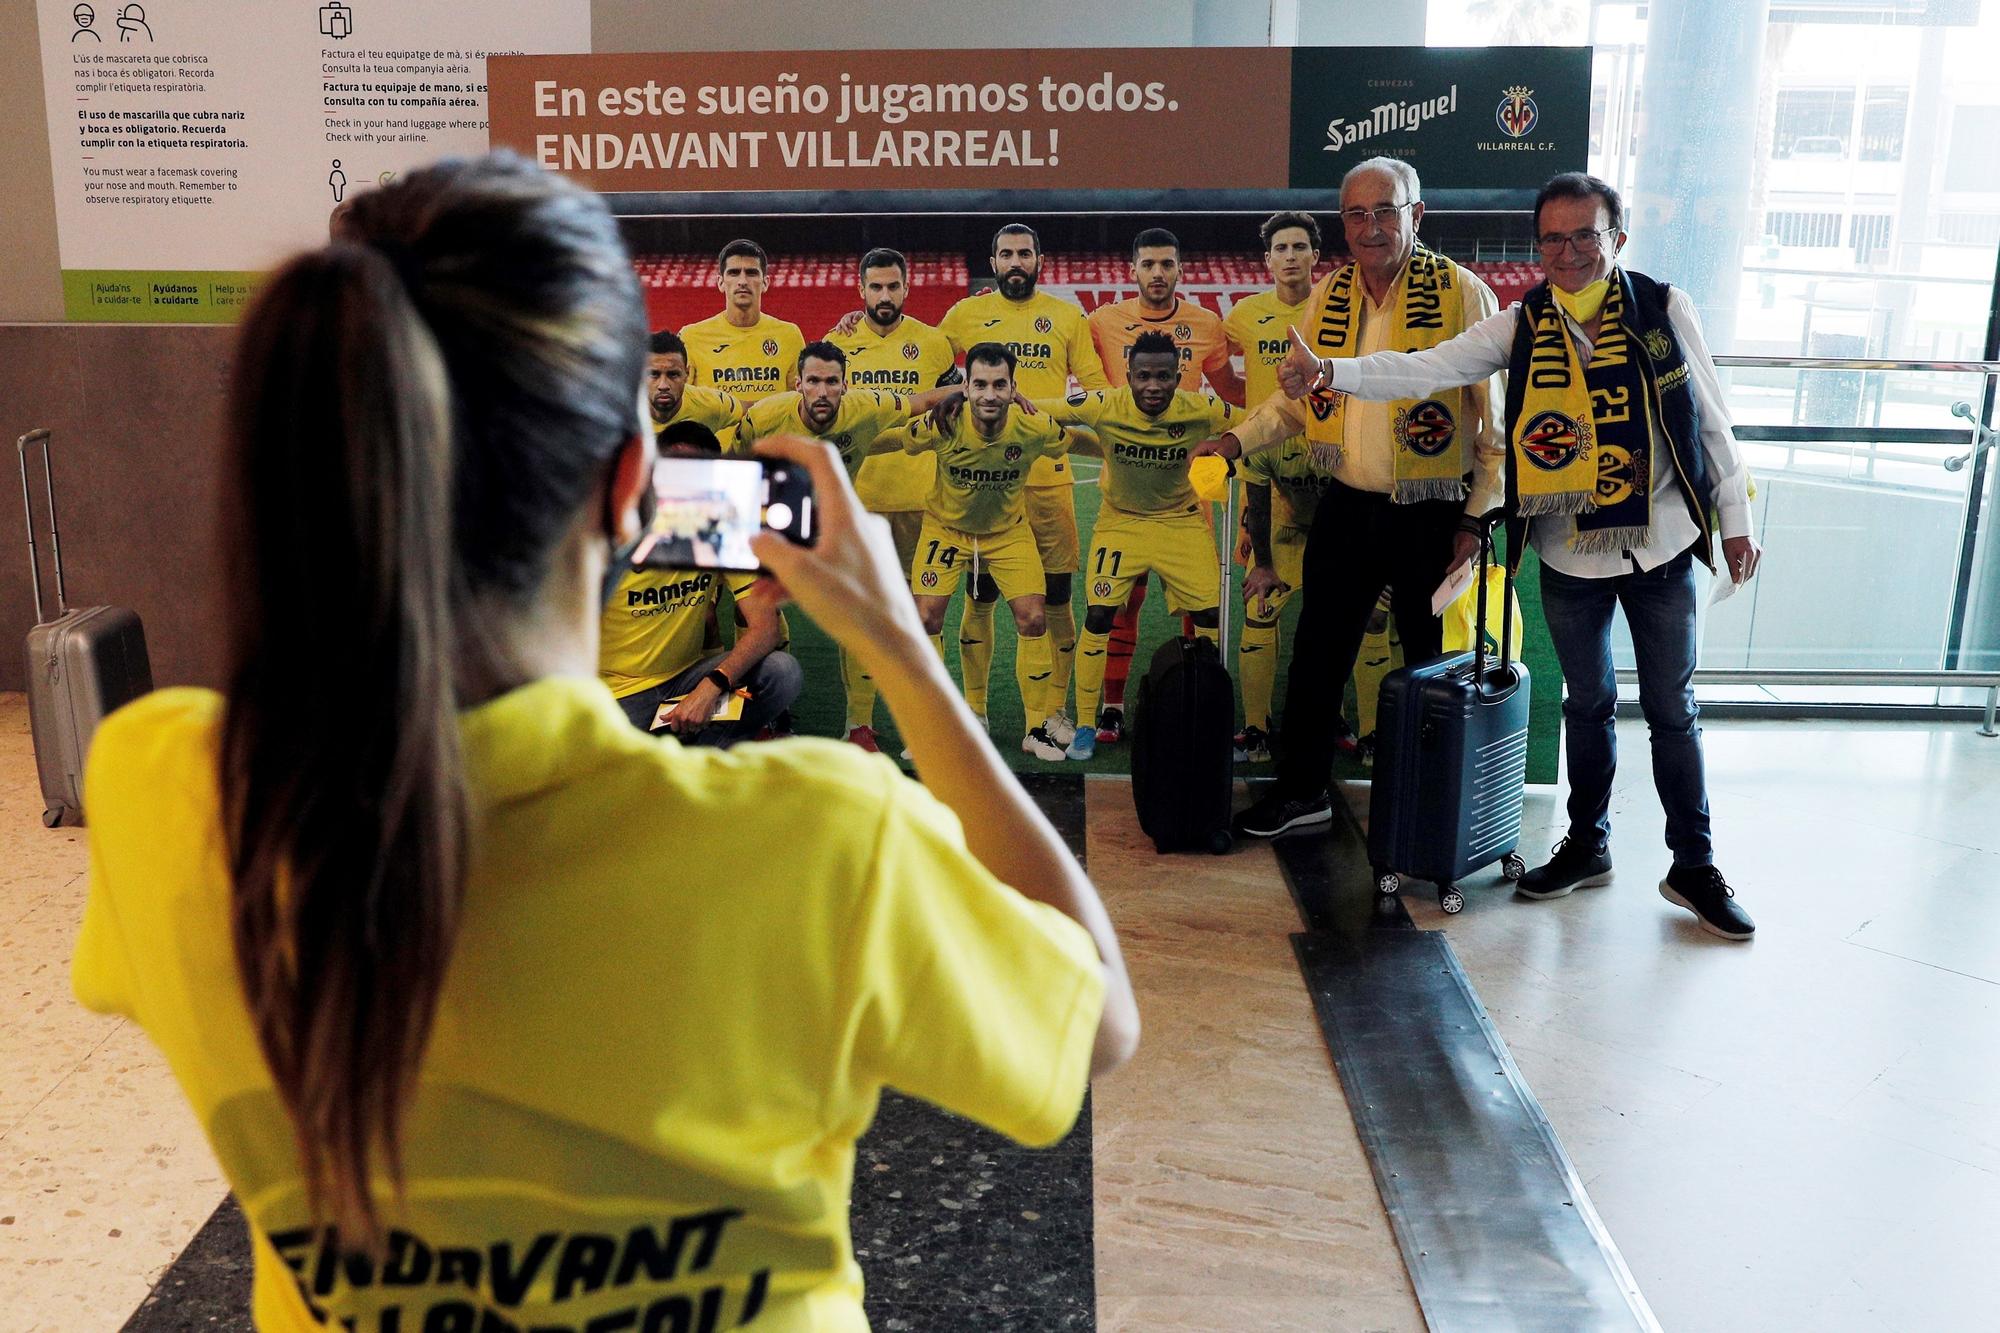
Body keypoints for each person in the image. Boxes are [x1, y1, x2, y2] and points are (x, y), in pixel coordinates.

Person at [70, 154, 1138, 1333]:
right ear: (634, 482)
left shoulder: (158, 785)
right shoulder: (823, 836)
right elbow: (1095, 1025)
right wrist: (903, 649)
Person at [1247, 170, 1762, 940]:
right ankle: (1588, 845)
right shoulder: (1522, 322)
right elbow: (1425, 368)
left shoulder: (1661, 305)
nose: (1568, 251)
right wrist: (1330, 372)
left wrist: (1735, 518)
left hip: (1659, 545)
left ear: (1614, 238)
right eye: (1552, 238)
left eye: (1584, 234)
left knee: (1672, 712)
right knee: (1585, 706)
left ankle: (1694, 864)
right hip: (1568, 552)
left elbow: (1712, 420)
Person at [1194, 157, 1505, 838]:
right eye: (1357, 214)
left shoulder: (1464, 294)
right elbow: (1296, 400)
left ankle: (1430, 809)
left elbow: (1496, 430)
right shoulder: (1329, 295)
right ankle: (1304, 792)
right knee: (1316, 656)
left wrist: (1475, 520)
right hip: (1347, 503)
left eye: (1385, 211)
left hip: (1432, 511)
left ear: (1416, 215)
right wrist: (1236, 441)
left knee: (1431, 664)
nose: (1371, 227)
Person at [936, 224, 1110, 745]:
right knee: (981, 592)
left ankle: (1053, 711)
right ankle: (976, 710)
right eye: (1007, 254)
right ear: (993, 260)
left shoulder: (1065, 317)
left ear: (1040, 260)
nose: (1016, 262)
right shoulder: (965, 314)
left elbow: (1096, 392)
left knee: (1056, 596)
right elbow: (926, 362)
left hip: (1047, 482)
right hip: (985, 482)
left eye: (1025, 254)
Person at [1034, 331, 1239, 760]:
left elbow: (1250, 422)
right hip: (1120, 523)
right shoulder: (1106, 405)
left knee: (1209, 616)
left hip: (1180, 524)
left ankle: (1206, 717)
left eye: (1163, 376)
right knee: (1099, 614)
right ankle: (1089, 722)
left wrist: (1225, 447)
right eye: (1143, 376)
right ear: (1128, 374)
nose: (1153, 386)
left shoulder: (1201, 410)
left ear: (1178, 375)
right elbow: (1043, 411)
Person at [884, 343, 1086, 762]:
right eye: (979, 385)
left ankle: (1036, 729)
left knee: (1033, 617)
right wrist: (835, 444)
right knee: (925, 618)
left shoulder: (1033, 426)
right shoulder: (944, 423)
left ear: (1014, 388)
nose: (989, 395)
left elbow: (1074, 442)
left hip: (1008, 533)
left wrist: (1134, 456)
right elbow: (894, 440)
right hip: (947, 530)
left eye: (999, 385)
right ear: (966, 386)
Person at [1087, 227, 1246, 745]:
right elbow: (1052, 343)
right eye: (1148, 263)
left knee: (1196, 606)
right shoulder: (1103, 321)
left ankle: (1197, 698)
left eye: (1167, 264)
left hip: (1187, 495)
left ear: (1181, 269)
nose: (1158, 273)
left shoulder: (1206, 325)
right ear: (1132, 269)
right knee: (1120, 603)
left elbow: (1231, 394)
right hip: (1126, 492)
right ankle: (1110, 708)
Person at [827, 248, 962, 751]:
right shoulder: (838, 345)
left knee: (924, 615)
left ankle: (923, 721)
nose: (884, 296)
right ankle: (859, 724)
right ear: (860, 290)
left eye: (893, 287)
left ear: (907, 289)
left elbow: (958, 405)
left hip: (924, 502)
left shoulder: (934, 345)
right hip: (861, 501)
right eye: (875, 287)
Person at [601, 421, 803, 743]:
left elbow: (766, 628)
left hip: (686, 683)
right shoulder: (617, 535)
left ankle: (701, 748)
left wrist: (712, 686)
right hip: (619, 696)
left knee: (781, 672)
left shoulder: (721, 533)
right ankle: (696, 750)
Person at [1222, 211, 1325, 763]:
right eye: (1280, 248)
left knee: (1354, 616)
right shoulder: (1243, 315)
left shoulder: (1333, 304)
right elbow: (1220, 370)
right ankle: (1256, 729)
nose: (1289, 256)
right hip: (1266, 469)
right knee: (1260, 602)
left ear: (1315, 255)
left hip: (1328, 453)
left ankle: (1343, 723)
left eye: (1299, 246)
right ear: (1267, 260)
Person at [679, 239, 805, 406]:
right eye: (734, 272)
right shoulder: (691, 337)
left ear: (765, 282)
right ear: (721, 283)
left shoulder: (789, 335)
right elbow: (680, 403)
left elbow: (801, 402)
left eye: (751, 273)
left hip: (773, 433)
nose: (743, 281)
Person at [644, 329, 746, 448]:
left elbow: (751, 411)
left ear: (686, 374)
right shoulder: (624, 415)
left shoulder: (709, 404)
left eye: (673, 374)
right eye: (654, 374)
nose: (663, 385)